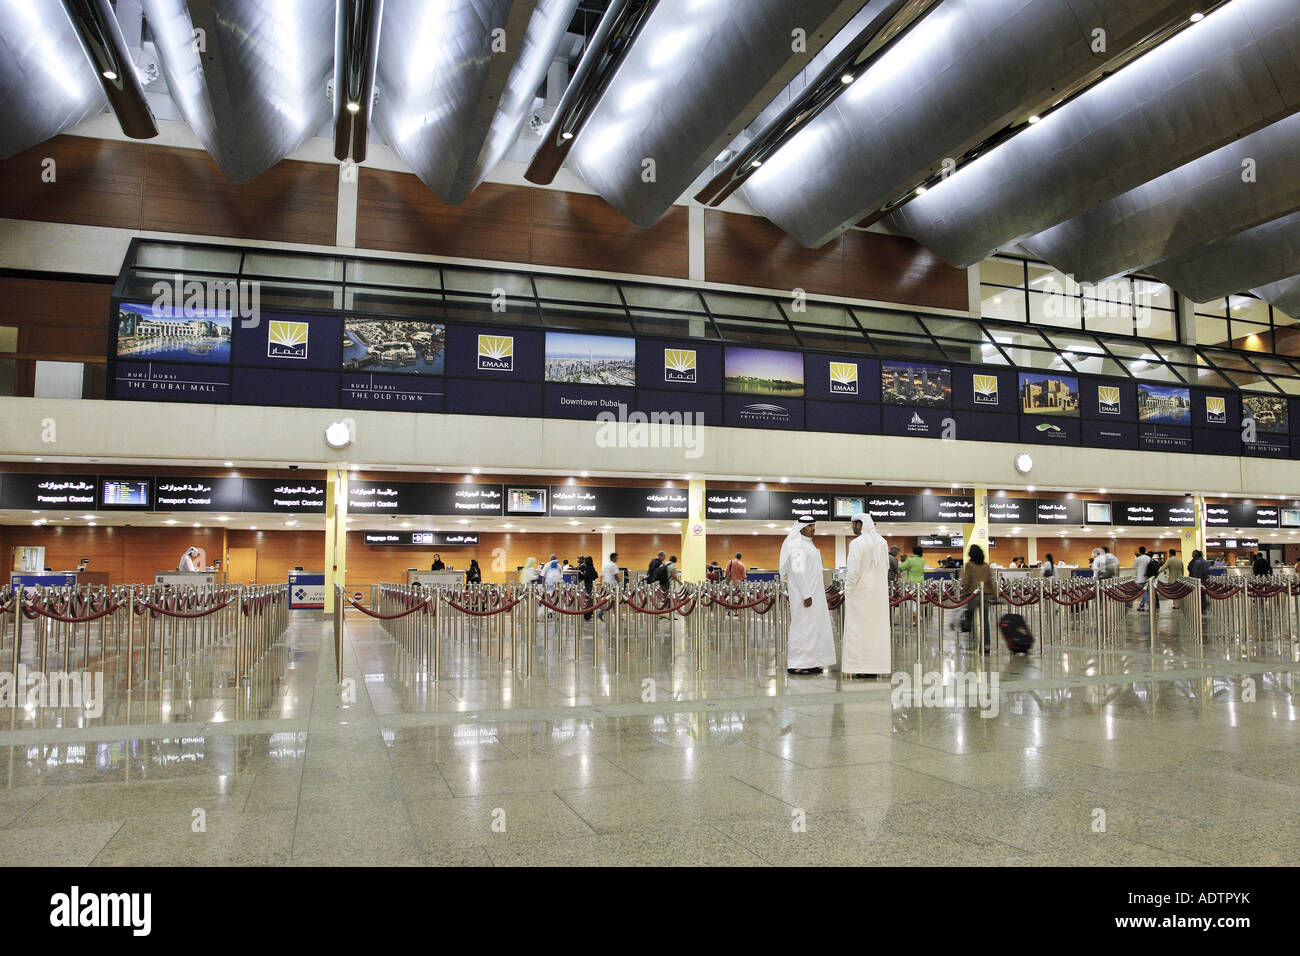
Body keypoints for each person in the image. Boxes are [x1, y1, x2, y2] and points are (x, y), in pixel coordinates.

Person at [779, 516, 836, 675]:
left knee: (813, 628)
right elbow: (798, 572)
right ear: (802, 528)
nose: (813, 528)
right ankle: (797, 663)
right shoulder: (796, 545)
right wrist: (806, 594)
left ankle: (812, 662)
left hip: (815, 595)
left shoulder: (809, 545)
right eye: (810, 526)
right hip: (804, 596)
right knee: (802, 628)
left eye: (814, 525)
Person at [842, 512, 891, 679]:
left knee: (859, 630)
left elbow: (853, 571)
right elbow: (887, 568)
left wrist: (848, 590)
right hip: (879, 594)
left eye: (853, 525)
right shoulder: (882, 542)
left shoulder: (858, 543)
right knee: (877, 629)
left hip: (860, 594)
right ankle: (876, 665)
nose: (852, 528)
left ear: (859, 524)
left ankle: (862, 666)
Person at [958, 544, 998, 651]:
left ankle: (971, 640)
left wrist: (962, 595)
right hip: (985, 595)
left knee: (969, 617)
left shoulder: (969, 565)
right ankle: (986, 645)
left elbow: (967, 582)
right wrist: (995, 596)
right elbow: (990, 581)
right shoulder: (986, 566)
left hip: (973, 595)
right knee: (985, 621)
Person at [598, 552, 619, 621]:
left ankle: (617, 615)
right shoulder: (614, 565)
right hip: (612, 586)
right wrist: (620, 583)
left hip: (606, 585)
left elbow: (601, 576)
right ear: (613, 558)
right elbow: (617, 576)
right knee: (613, 601)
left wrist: (601, 585)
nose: (617, 559)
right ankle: (601, 613)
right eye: (616, 558)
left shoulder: (605, 565)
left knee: (608, 601)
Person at [580, 556, 598, 621]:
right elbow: (596, 575)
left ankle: (587, 615)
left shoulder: (586, 567)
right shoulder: (592, 567)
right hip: (591, 585)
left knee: (587, 601)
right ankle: (589, 614)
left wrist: (581, 575)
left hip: (587, 585)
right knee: (590, 601)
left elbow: (586, 576)